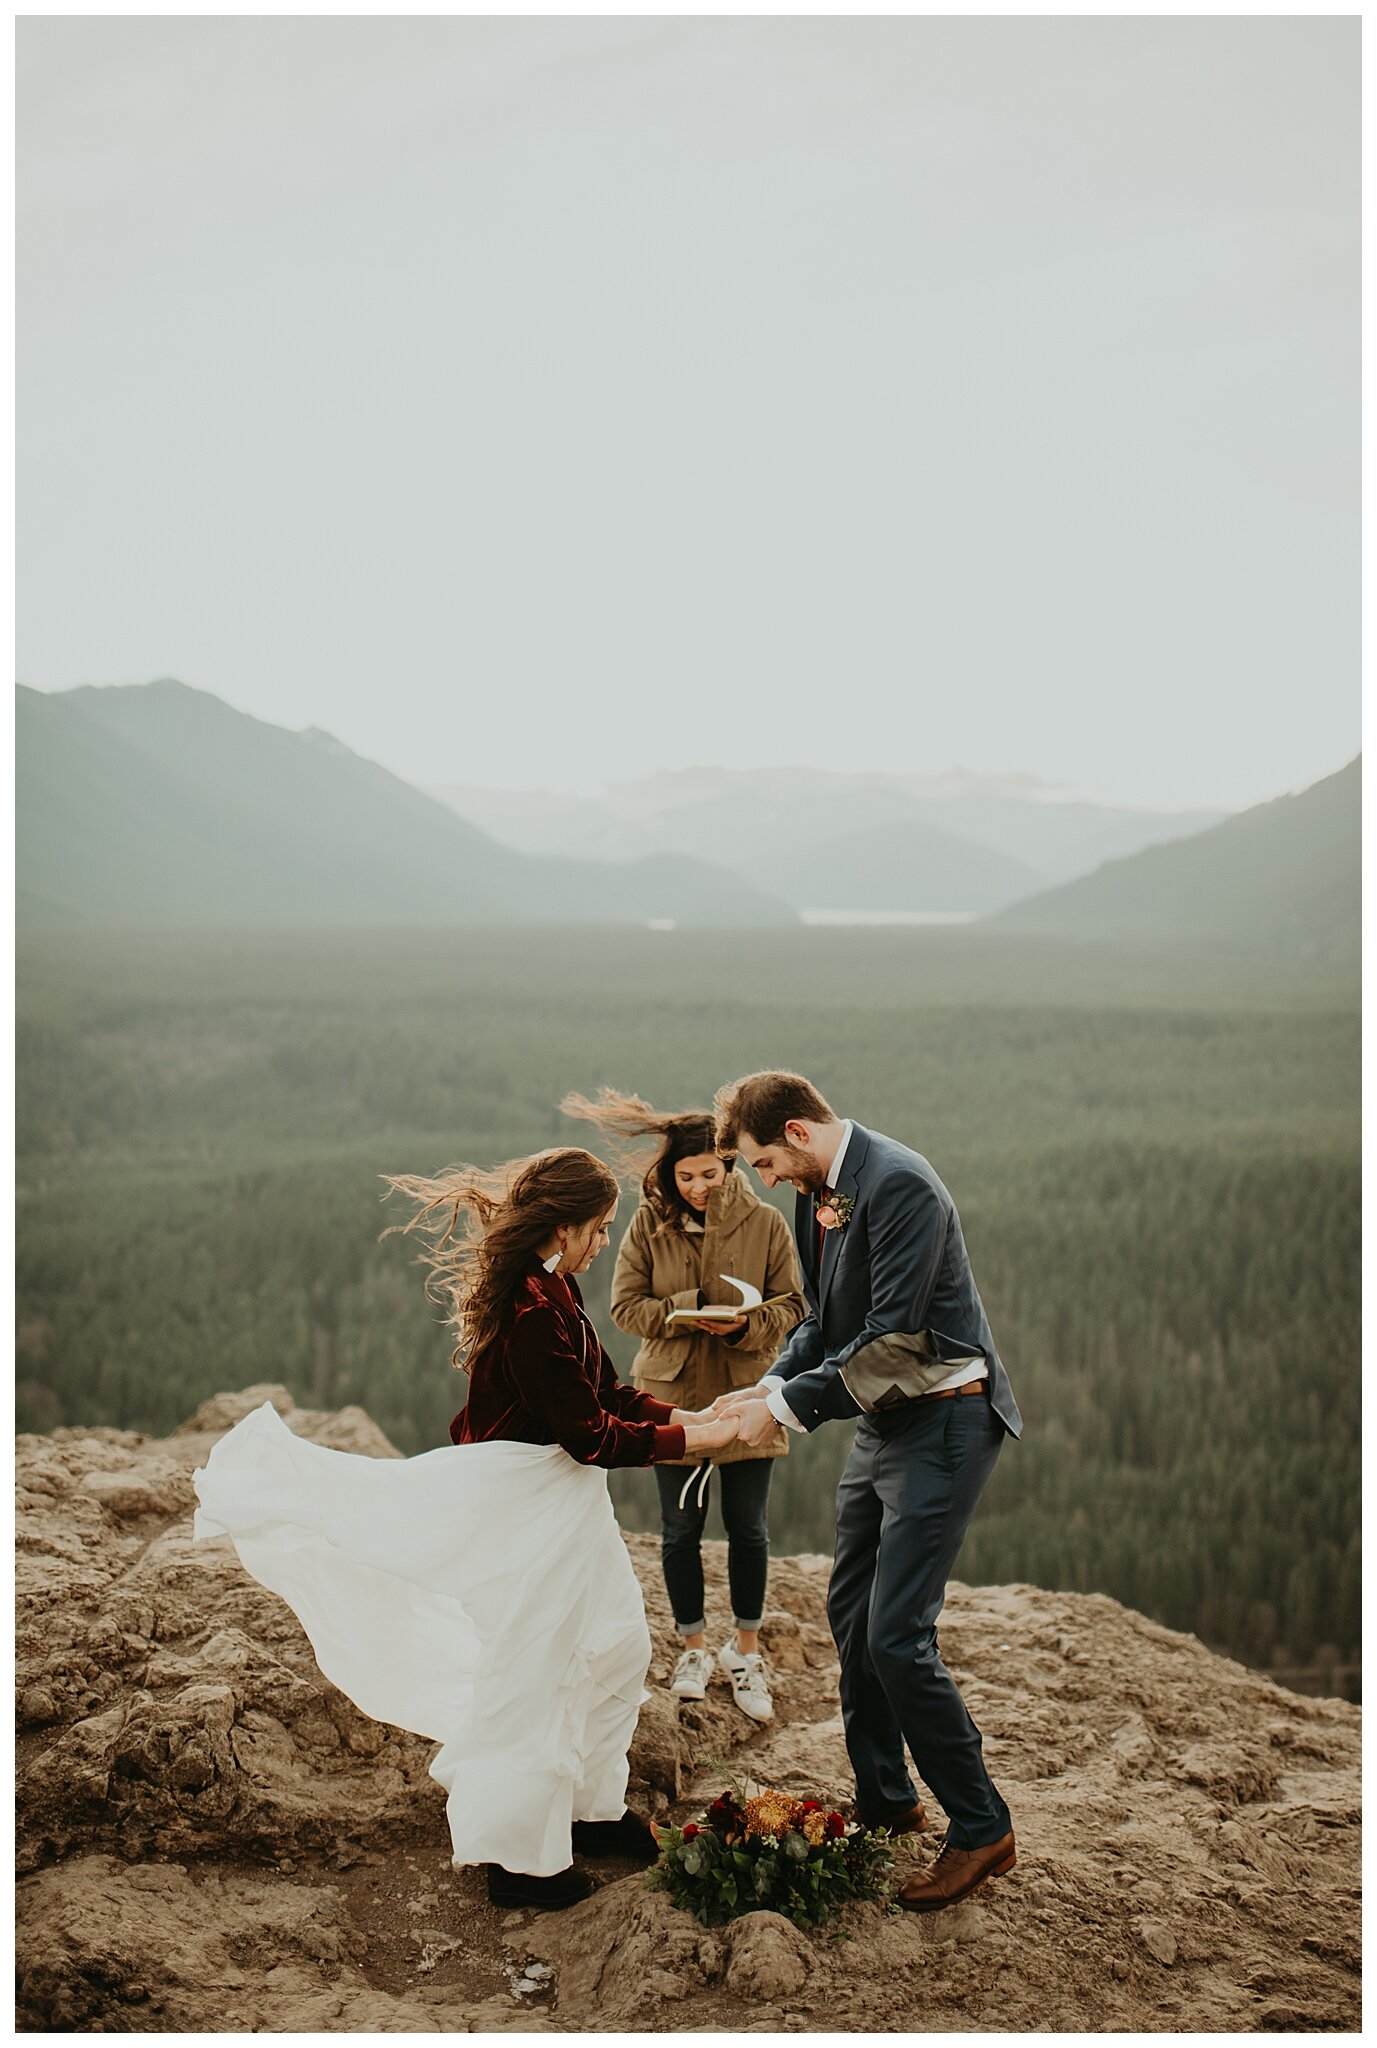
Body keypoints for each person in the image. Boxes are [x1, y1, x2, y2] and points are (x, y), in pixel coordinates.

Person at [193, 1146, 739, 1914]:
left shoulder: (555, 1287)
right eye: (600, 1227)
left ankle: (591, 1807)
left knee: (619, 1645)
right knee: (536, 1672)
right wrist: (699, 1443)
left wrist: (684, 1415)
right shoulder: (527, 1313)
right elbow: (590, 1436)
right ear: (564, 1225)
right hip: (529, 1509)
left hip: (568, 1504)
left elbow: (606, 1388)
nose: (604, 1241)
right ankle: (518, 1859)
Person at [711, 1071, 1023, 1914]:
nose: (763, 1179)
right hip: (883, 1426)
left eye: (763, 1161)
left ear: (800, 1134)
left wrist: (784, 1408)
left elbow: (896, 1340)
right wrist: (765, 1385)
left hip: (946, 1426)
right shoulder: (828, 1190)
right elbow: (822, 1322)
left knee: (897, 1638)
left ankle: (981, 1826)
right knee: (850, 1618)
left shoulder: (899, 1185)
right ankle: (886, 1802)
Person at [563, 1089, 805, 1722]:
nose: (699, 1185)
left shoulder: (767, 1224)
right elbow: (624, 1308)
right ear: (669, 1175)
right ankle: (694, 1646)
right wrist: (687, 1308)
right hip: (670, 1401)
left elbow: (794, 1307)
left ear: (729, 1166)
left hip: (747, 1397)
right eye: (686, 1175)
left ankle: (746, 1651)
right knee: (681, 1531)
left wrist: (746, 1326)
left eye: (710, 1172)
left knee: (749, 1530)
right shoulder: (648, 1225)